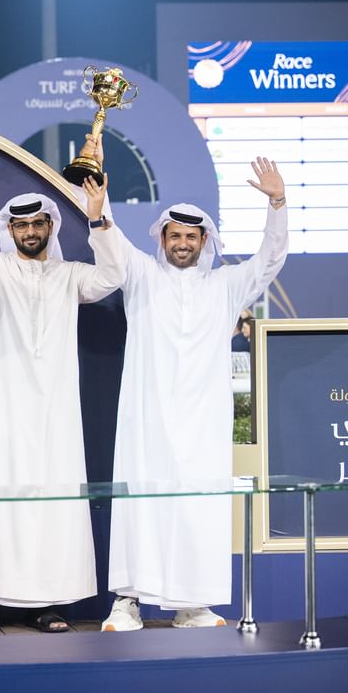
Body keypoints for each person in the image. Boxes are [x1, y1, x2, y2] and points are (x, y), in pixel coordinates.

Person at [0, 177, 124, 633]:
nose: (30, 232)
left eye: (38, 224)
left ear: (51, 227)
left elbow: (113, 276)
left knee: (51, 499)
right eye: (22, 225)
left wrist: (98, 218)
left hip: (54, 413)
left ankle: (48, 602)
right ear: (9, 230)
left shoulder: (71, 274)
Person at [103, 156, 288, 631]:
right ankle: (127, 601)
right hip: (146, 418)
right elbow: (111, 242)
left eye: (191, 236)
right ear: (162, 238)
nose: (182, 243)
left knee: (198, 504)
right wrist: (99, 205)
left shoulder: (226, 285)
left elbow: (270, 260)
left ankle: (193, 604)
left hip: (203, 422)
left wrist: (277, 204)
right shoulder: (141, 275)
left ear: (204, 241)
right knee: (141, 500)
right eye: (174, 236)